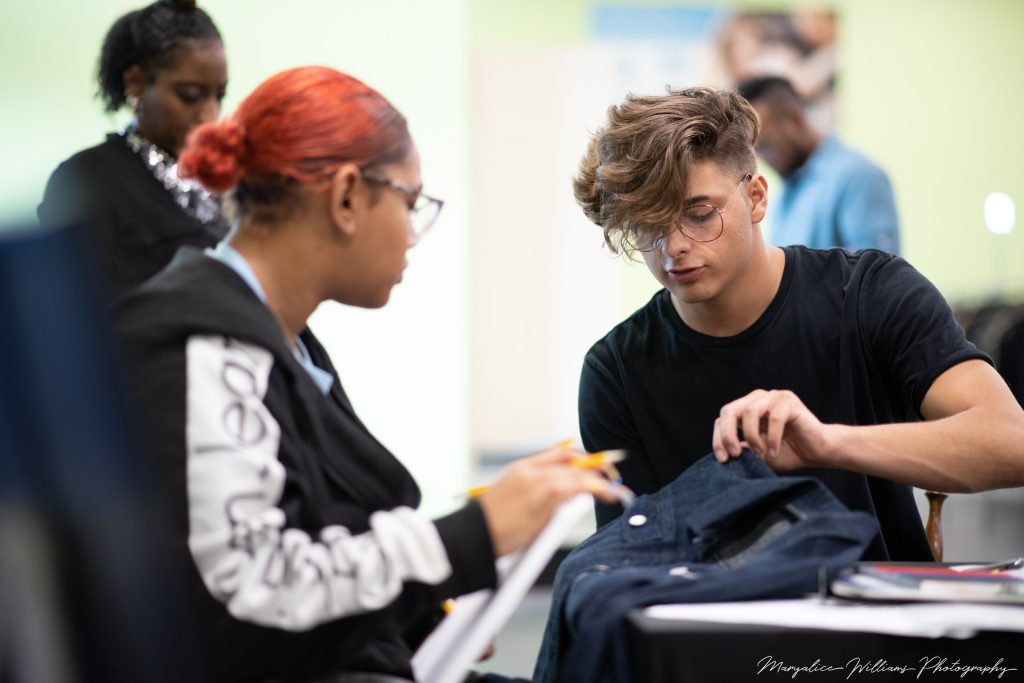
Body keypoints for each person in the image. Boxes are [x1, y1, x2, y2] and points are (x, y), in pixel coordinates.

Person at [112, 65, 621, 683]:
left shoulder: (285, 344)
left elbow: (314, 531)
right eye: (411, 202)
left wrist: (414, 613)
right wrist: (471, 537)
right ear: (347, 196)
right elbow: (249, 599)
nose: (412, 234)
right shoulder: (202, 348)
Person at [573, 86, 1024, 561]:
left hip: (877, 624)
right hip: (709, 629)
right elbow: (629, 564)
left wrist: (828, 443)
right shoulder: (616, 371)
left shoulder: (872, 294)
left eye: (699, 214)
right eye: (648, 224)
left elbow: (1011, 442)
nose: (673, 247)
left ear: (756, 196)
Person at [39, 0, 229, 298]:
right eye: (190, 95)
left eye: (219, 95)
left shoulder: (224, 180)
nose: (210, 115)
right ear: (137, 83)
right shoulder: (87, 180)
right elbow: (67, 308)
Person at [736, 75, 900, 253]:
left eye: (766, 146)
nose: (763, 159)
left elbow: (877, 275)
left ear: (795, 119)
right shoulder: (787, 190)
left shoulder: (858, 176)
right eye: (756, 151)